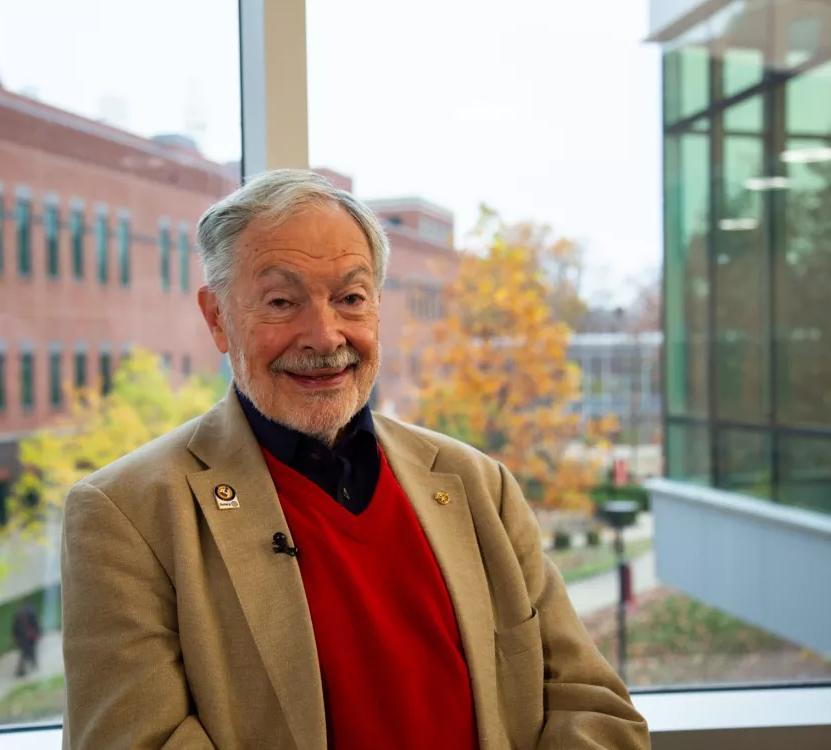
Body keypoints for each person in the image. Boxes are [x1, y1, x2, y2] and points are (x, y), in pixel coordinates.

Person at [61, 169, 650, 749]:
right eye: (281, 301)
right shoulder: (127, 516)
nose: (324, 335)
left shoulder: (478, 486)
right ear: (217, 318)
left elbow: (591, 705)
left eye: (350, 298)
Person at [13, 598, 40, 678]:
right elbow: (36, 624)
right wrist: (38, 633)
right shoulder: (32, 611)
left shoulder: (18, 613)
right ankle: (29, 665)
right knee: (30, 650)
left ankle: (23, 669)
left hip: (22, 637)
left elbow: (15, 627)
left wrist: (15, 636)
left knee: (24, 652)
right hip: (30, 636)